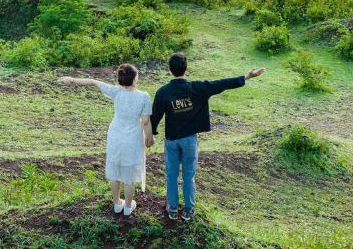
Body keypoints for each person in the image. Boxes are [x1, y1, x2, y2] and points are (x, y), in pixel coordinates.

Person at [151, 52, 265, 221]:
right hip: (190, 140)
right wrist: (246, 77)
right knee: (189, 176)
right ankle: (189, 210)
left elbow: (155, 116)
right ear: (187, 69)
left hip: (172, 140)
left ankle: (172, 209)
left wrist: (151, 132)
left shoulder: (163, 92)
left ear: (170, 70)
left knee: (172, 175)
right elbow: (221, 84)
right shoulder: (197, 88)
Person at [59, 64, 154, 216]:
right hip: (132, 137)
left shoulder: (116, 91)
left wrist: (72, 80)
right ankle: (128, 207)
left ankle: (117, 204)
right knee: (129, 173)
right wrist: (149, 137)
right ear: (135, 78)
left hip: (115, 135)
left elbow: (93, 81)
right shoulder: (143, 96)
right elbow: (145, 121)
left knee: (115, 170)